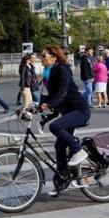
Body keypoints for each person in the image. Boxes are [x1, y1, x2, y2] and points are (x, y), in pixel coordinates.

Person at [40, 46, 91, 196]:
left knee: (55, 127)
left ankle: (78, 150)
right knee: (59, 146)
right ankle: (63, 180)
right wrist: (35, 108)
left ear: (54, 57)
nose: (41, 57)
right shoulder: (50, 72)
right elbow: (51, 96)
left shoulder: (62, 70)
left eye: (44, 55)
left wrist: (48, 105)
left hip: (80, 111)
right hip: (69, 111)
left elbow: (61, 93)